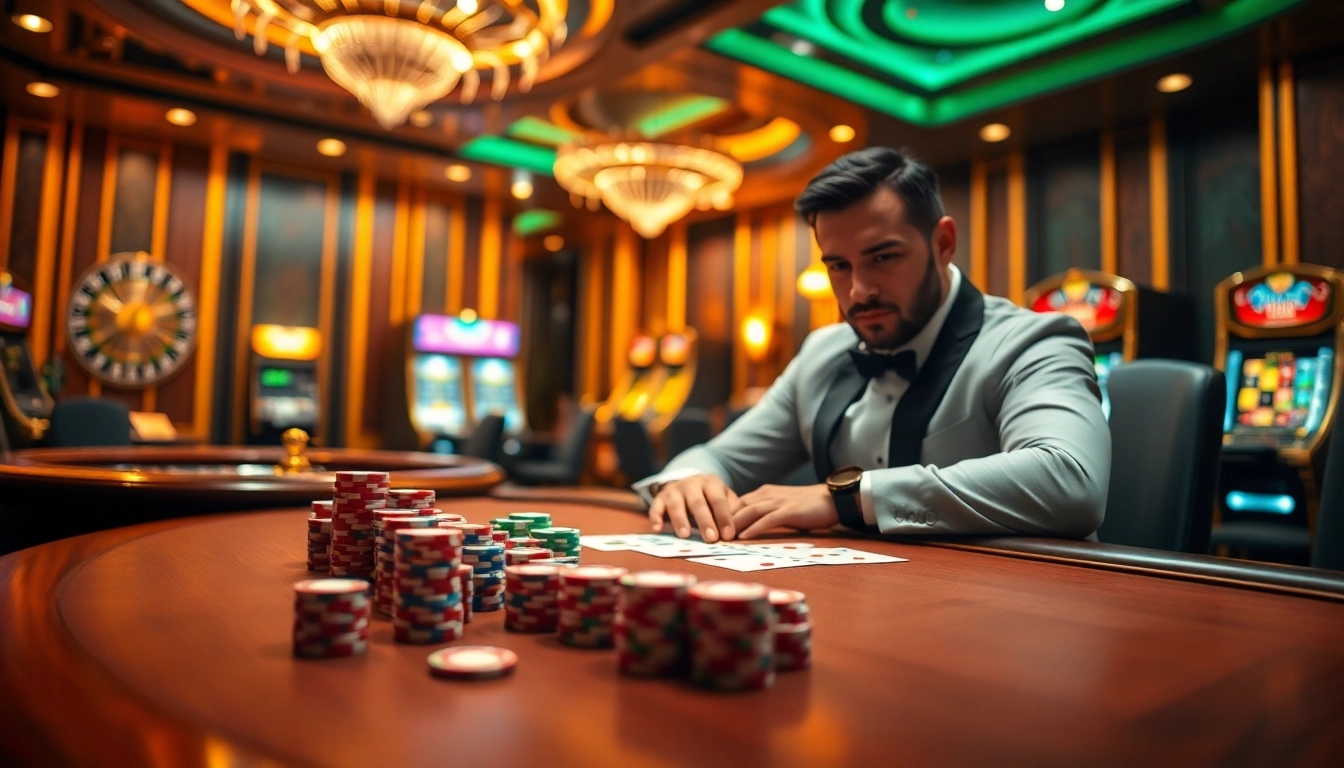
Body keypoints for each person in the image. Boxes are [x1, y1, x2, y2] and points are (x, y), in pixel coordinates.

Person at [635, 147, 1110, 542]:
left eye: (883, 257)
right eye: (838, 265)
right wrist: (685, 481)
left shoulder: (1034, 342)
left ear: (943, 243)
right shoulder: (821, 353)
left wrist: (844, 498)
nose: (858, 290)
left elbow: (1070, 482)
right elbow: (718, 458)